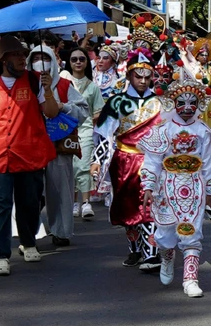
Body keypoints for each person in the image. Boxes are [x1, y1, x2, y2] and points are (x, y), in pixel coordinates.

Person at [0, 36, 60, 276]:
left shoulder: (35, 81)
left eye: (22, 54)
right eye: (16, 54)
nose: (21, 59)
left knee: (29, 203)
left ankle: (28, 242)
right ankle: (0, 254)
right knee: (0, 206)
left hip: (29, 153)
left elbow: (52, 112)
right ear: (3, 59)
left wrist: (48, 90)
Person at [139, 71, 211, 298]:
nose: (187, 107)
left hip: (194, 186)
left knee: (191, 231)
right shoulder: (163, 130)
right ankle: (167, 256)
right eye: (181, 102)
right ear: (172, 102)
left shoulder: (202, 130)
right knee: (164, 235)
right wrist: (148, 186)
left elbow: (209, 164)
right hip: (166, 186)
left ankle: (190, 279)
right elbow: (153, 161)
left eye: (193, 103)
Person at [92, 49, 163, 270]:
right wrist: (96, 160)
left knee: (150, 207)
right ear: (130, 76)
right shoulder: (116, 102)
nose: (142, 81)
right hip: (123, 161)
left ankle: (152, 254)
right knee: (127, 208)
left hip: (152, 162)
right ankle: (134, 249)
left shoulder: (162, 103)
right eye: (137, 76)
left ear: (152, 77)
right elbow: (104, 135)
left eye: (146, 76)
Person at [29, 44, 88, 247]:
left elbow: (83, 110)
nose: (38, 61)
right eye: (35, 57)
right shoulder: (24, 84)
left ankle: (61, 231)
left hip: (59, 144)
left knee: (60, 189)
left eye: (43, 57)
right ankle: (29, 233)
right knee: (30, 191)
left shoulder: (63, 85)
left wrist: (64, 106)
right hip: (31, 144)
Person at [61, 47, 104, 219]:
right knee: (69, 167)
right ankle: (73, 202)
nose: (78, 62)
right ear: (69, 63)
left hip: (85, 130)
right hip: (64, 132)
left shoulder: (92, 87)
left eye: (81, 59)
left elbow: (99, 110)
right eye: (74, 59)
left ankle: (86, 203)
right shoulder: (63, 84)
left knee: (83, 166)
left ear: (87, 62)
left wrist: (85, 117)